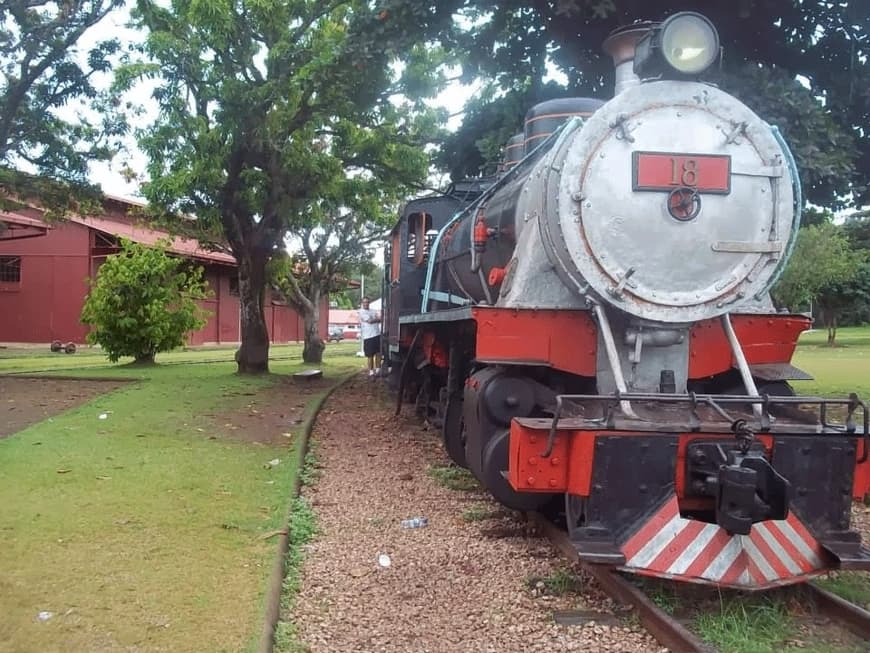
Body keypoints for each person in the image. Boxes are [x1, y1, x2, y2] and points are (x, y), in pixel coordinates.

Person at [357, 297, 382, 377]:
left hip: (377, 334)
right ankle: (371, 371)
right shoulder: (361, 312)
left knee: (378, 353)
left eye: (367, 302)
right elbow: (370, 321)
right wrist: (376, 319)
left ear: (369, 303)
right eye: (364, 302)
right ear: (362, 303)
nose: (366, 304)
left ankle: (378, 370)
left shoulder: (373, 311)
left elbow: (380, 319)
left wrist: (376, 319)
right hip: (368, 336)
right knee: (370, 355)